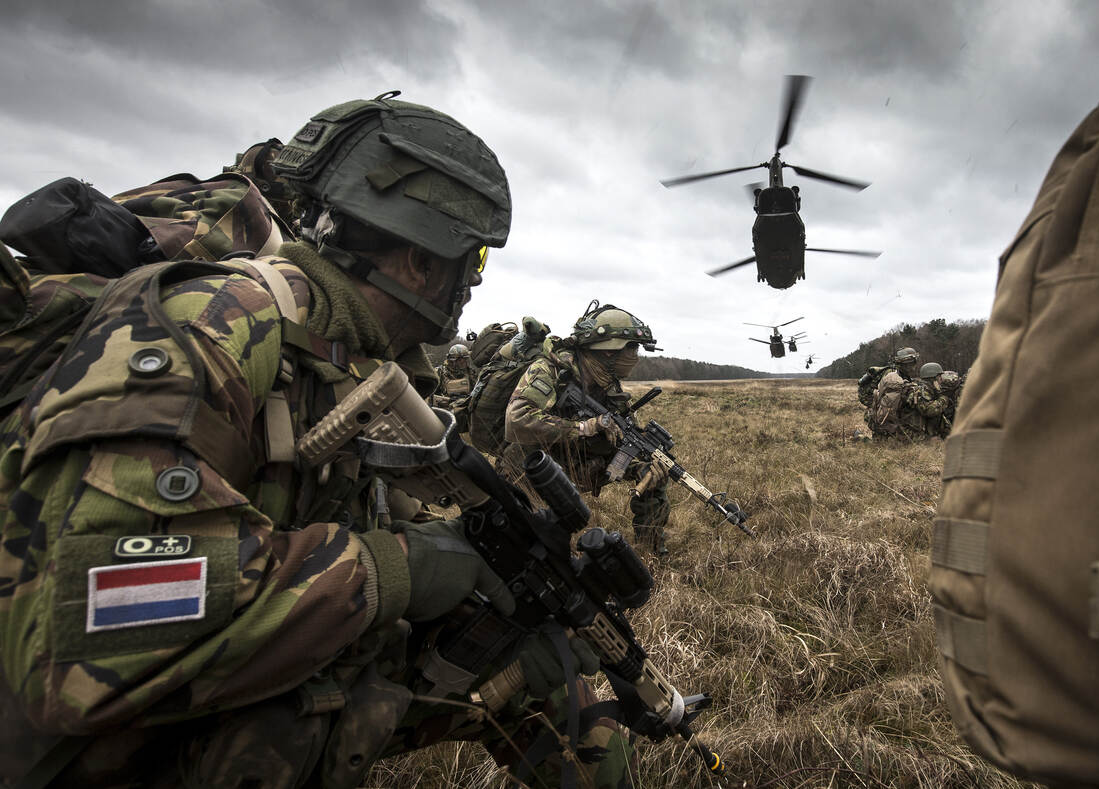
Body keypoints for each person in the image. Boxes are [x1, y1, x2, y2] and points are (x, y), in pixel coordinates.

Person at [0, 93, 632, 789]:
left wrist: (483, 620)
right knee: (279, 733)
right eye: (473, 257)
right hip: (70, 742)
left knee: (548, 690)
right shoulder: (215, 326)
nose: (475, 283)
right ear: (420, 259)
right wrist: (398, 568)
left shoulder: (341, 355)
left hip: (191, 689)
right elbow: (81, 638)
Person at [503, 302, 671, 555]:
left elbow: (620, 441)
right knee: (529, 544)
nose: (635, 356)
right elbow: (517, 420)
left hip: (582, 464)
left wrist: (639, 465)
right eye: (632, 348)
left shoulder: (610, 386)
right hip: (532, 469)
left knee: (652, 472)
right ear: (608, 351)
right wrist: (584, 427)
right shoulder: (549, 370)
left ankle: (651, 550)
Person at [865, 346, 920, 438]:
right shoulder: (895, 382)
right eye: (910, 364)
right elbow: (890, 412)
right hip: (890, 431)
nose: (913, 367)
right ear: (904, 365)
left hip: (885, 427)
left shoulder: (900, 377)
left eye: (913, 363)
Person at [899, 362, 952, 440]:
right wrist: (944, 399)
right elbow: (929, 410)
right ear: (933, 378)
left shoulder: (930, 389)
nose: (941, 379)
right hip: (914, 435)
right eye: (939, 376)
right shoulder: (921, 391)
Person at [432, 342, 474, 409]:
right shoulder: (439, 372)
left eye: (466, 359)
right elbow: (430, 395)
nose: (465, 363)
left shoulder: (470, 372)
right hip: (444, 409)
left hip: (464, 408)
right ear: (453, 360)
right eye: (462, 360)